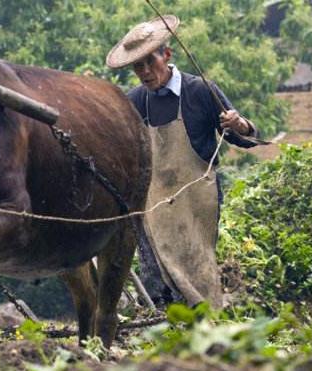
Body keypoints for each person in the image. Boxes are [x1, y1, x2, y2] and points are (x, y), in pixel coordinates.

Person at [106, 16, 260, 308]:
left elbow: (242, 139)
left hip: (196, 200)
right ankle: (162, 327)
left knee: (198, 271)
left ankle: (205, 323)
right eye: (137, 66)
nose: (145, 72)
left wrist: (240, 125)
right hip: (153, 202)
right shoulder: (134, 102)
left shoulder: (201, 91)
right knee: (157, 277)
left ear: (167, 54)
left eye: (150, 62)